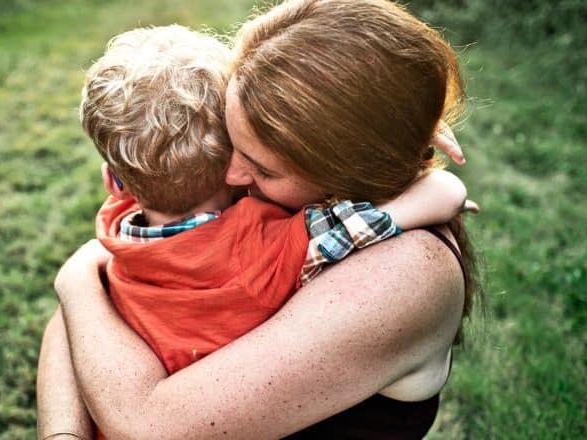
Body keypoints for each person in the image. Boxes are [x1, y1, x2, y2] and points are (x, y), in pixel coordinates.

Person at [39, 0, 480, 438]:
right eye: (231, 139)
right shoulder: (271, 208)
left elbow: (147, 425)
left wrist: (78, 281)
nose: (229, 176)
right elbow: (93, 327)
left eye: (263, 168)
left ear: (344, 167)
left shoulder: (407, 270)